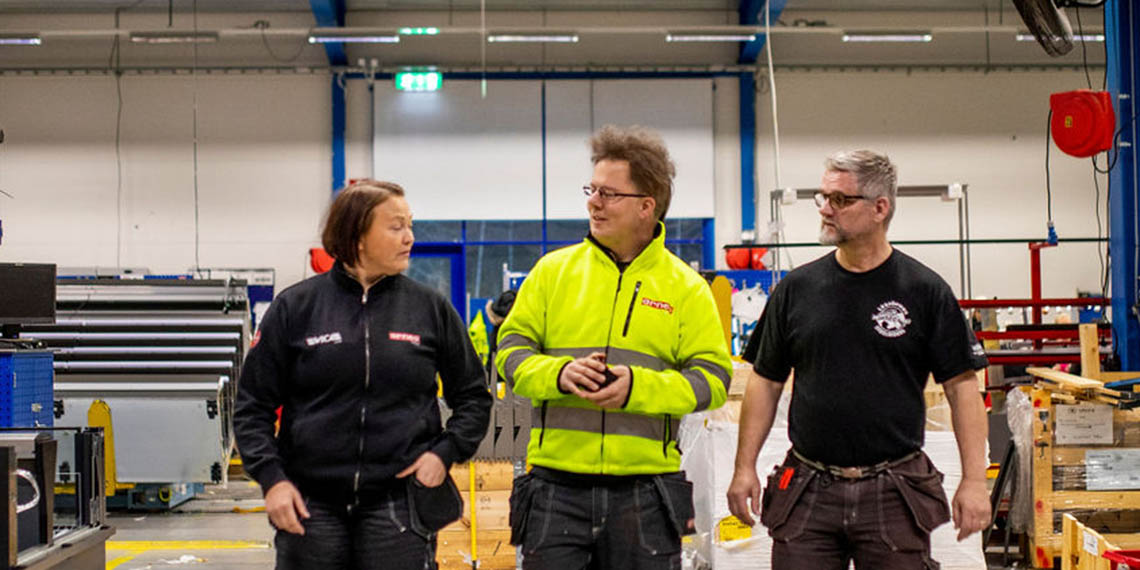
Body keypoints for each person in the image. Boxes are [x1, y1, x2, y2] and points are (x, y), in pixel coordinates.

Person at [726, 150, 991, 569]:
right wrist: (744, 468)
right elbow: (766, 380)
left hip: (895, 488)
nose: (825, 209)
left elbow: (962, 389)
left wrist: (975, 481)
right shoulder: (796, 289)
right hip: (809, 488)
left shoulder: (925, 291)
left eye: (840, 200)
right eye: (822, 197)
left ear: (880, 208)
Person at [495, 125, 733, 569]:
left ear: (646, 206)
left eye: (609, 193)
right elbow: (509, 351)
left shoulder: (686, 288)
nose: (593, 202)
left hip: (645, 495)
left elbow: (714, 381)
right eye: (592, 189)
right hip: (554, 490)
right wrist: (558, 374)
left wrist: (637, 388)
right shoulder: (552, 273)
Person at [234, 179, 493, 570]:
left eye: (410, 225)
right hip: (310, 507)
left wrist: (444, 454)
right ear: (357, 237)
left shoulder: (429, 309)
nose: (410, 237)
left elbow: (473, 397)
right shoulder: (295, 308)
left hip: (399, 507)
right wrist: (272, 480)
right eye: (396, 226)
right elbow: (252, 407)